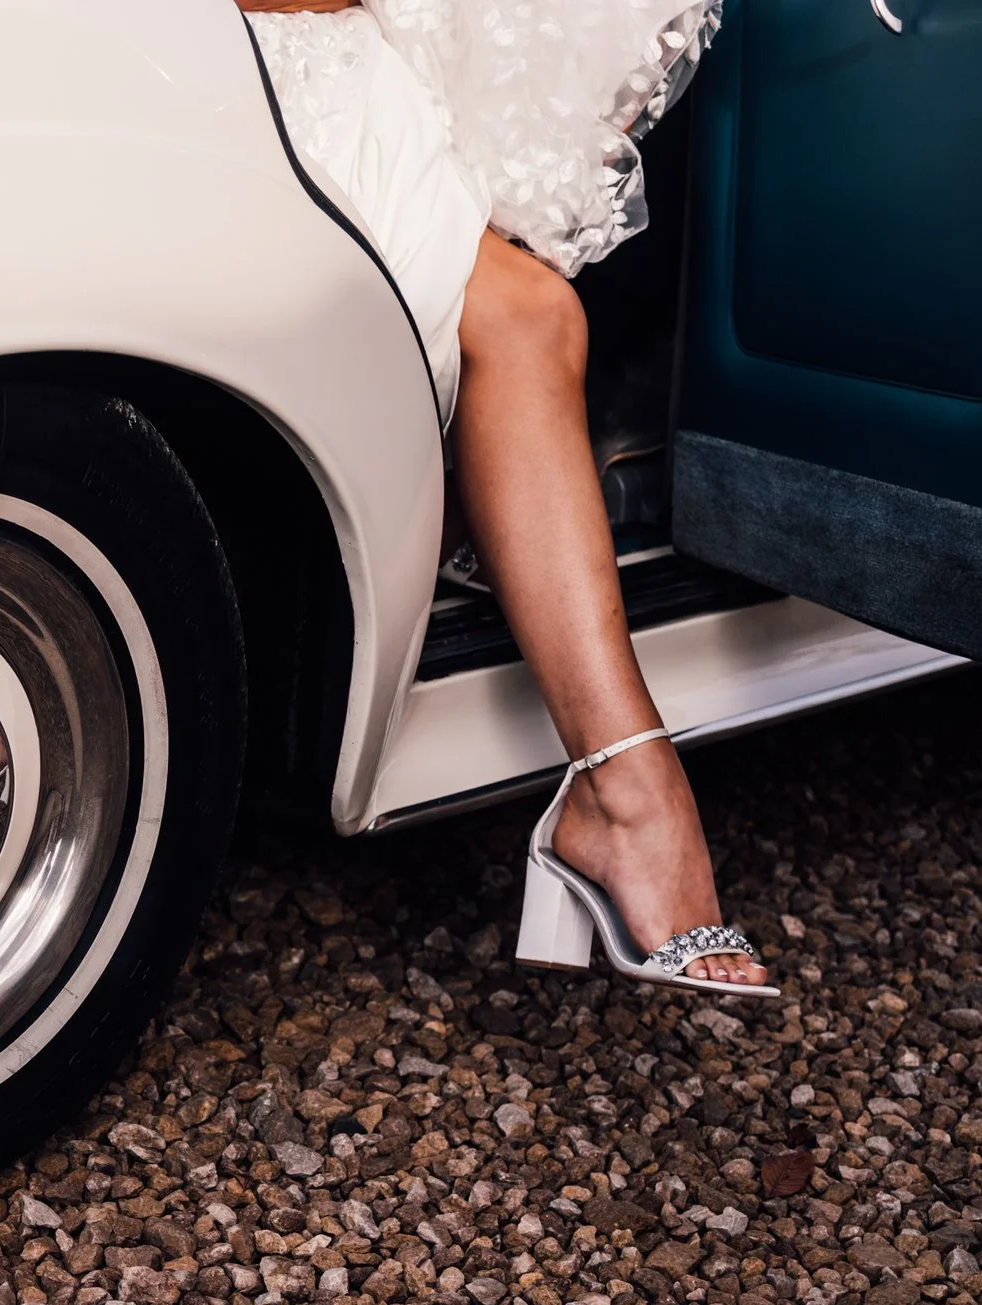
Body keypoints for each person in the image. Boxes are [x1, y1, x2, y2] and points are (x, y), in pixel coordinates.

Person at [243, 0, 778, 998]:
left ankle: (624, 791)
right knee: (527, 314)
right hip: (226, 69)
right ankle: (626, 796)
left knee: (531, 308)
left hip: (356, 74)